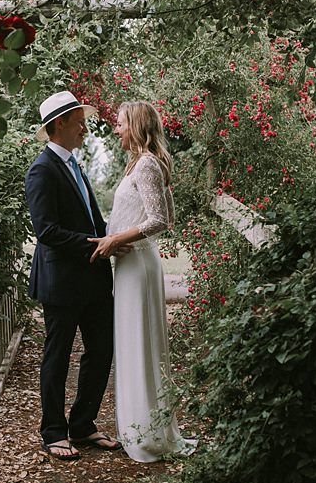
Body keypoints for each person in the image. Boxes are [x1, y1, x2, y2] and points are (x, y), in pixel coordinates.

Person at [89, 101, 197, 463]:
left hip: (137, 262)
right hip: (132, 263)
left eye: (120, 123)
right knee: (133, 341)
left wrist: (115, 240)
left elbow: (160, 220)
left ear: (135, 126)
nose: (115, 129)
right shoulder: (137, 163)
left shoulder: (148, 163)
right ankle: (144, 427)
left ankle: (147, 435)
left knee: (139, 341)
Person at [24, 90, 126, 461]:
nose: (85, 126)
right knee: (58, 355)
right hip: (62, 283)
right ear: (60, 124)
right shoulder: (42, 169)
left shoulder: (76, 166)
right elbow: (46, 230)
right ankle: (53, 431)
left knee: (101, 351)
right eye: (79, 120)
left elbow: (89, 218)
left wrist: (113, 237)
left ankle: (83, 425)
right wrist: (96, 244)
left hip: (94, 280)